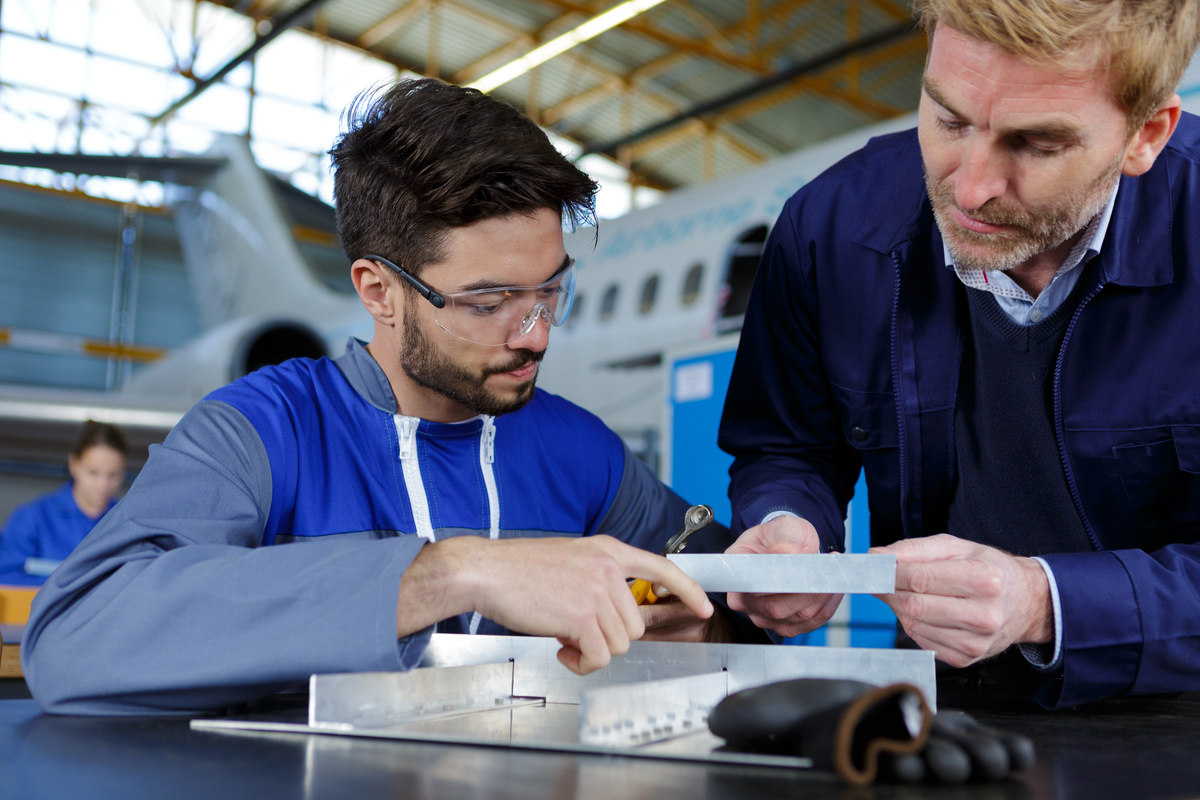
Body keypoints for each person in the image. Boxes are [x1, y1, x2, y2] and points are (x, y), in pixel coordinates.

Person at [22, 78, 733, 716]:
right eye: (489, 303)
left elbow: (724, 596)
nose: (537, 335)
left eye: (551, 290)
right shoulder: (263, 433)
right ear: (379, 291)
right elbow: (72, 639)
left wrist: (710, 624)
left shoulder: (582, 451)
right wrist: (451, 573)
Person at [718, 0, 1200, 710]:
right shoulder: (829, 228)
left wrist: (1044, 602)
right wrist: (786, 522)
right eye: (949, 120)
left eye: (1037, 144)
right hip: (938, 700)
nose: (970, 189)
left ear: (1145, 135)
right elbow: (788, 446)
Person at [0, 420, 126, 587]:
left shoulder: (127, 524)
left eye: (113, 475)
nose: (102, 486)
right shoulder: (32, 518)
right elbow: (6, 578)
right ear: (74, 465)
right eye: (93, 473)